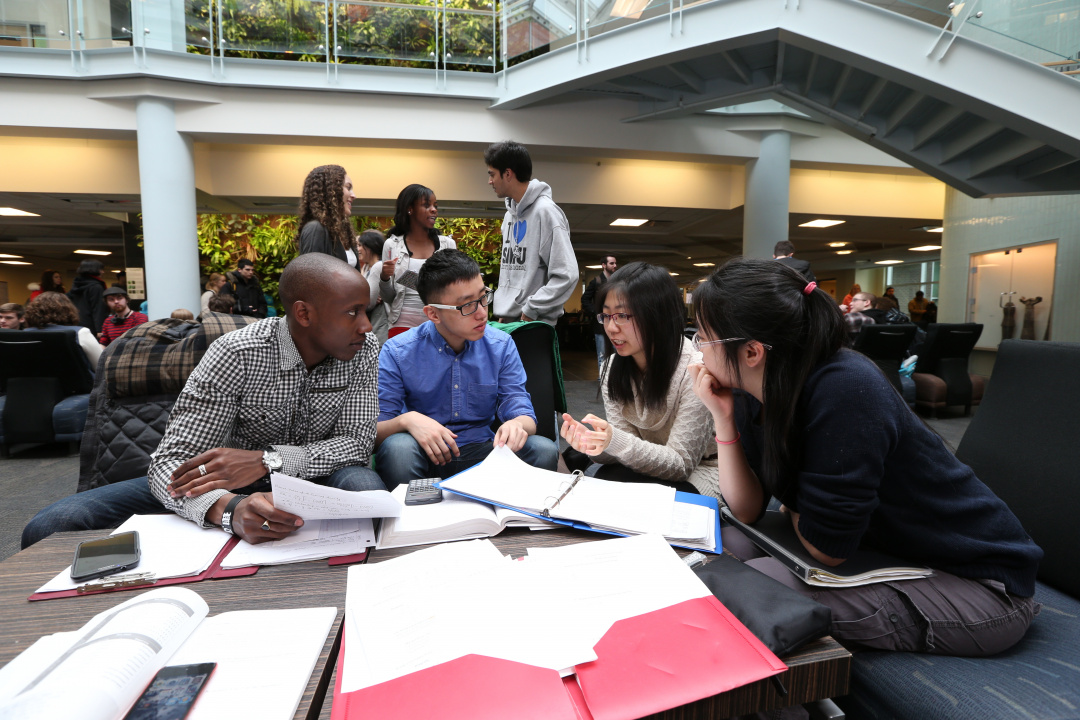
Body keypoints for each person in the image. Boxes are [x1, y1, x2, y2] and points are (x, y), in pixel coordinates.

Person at [687, 257, 1042, 656]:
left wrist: (797, 509)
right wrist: (723, 418)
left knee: (743, 597)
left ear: (751, 351)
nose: (698, 351)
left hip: (981, 585)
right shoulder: (756, 389)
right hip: (889, 550)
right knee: (719, 548)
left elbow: (828, 549)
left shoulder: (845, 388)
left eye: (703, 338)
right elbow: (748, 509)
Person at [21, 253, 385, 548]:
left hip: (314, 478)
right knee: (52, 524)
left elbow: (356, 444)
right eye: (352, 312)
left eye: (366, 310)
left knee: (369, 495)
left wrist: (267, 461)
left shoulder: (364, 349)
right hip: (222, 484)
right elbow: (169, 463)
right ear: (304, 313)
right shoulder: (237, 353)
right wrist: (227, 508)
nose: (366, 325)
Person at [374, 249, 558, 489]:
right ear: (433, 313)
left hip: (483, 453)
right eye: (467, 306)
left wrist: (517, 424)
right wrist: (408, 420)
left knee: (543, 449)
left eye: (483, 298)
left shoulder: (500, 346)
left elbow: (522, 409)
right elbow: (376, 433)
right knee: (398, 449)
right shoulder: (398, 351)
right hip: (424, 453)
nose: (482, 313)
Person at [559, 262, 717, 495]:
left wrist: (614, 440)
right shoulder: (614, 367)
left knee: (656, 497)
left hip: (699, 472)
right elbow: (625, 447)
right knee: (606, 477)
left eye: (622, 315)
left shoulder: (694, 369)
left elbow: (681, 465)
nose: (611, 327)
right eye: (606, 315)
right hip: (642, 467)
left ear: (657, 316)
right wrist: (595, 443)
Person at [484, 140, 577, 325]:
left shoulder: (546, 212)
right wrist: (506, 308)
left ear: (508, 174)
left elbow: (567, 274)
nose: (490, 181)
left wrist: (531, 310)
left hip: (533, 324)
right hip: (509, 321)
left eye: (492, 174)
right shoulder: (509, 216)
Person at [380, 184, 456, 338]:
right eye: (426, 205)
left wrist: (410, 279)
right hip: (401, 326)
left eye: (435, 205)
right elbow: (388, 298)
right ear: (410, 209)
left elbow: (453, 289)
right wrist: (385, 277)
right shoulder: (392, 245)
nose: (434, 210)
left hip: (439, 325)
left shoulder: (447, 245)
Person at [296, 164, 360, 269]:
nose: (353, 195)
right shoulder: (315, 229)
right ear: (332, 191)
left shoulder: (343, 232)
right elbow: (311, 277)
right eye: (348, 187)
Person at [22, 291, 103, 370]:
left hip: (33, 383)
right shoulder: (80, 333)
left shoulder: (24, 334)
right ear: (68, 310)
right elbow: (101, 366)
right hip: (76, 382)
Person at [580, 254, 617, 373]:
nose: (615, 266)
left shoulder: (618, 281)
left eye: (615, 263)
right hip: (600, 324)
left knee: (617, 353)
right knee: (602, 353)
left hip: (616, 321)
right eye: (612, 263)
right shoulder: (596, 281)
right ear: (604, 265)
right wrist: (595, 312)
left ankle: (615, 378)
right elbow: (585, 299)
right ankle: (602, 378)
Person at [357, 229, 389, 345]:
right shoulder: (366, 268)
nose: (358, 249)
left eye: (360, 245)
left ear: (370, 247)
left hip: (379, 327)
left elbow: (368, 303)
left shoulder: (378, 267)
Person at [67, 259, 109, 334]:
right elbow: (98, 309)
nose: (103, 272)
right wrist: (100, 329)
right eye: (101, 269)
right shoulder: (96, 287)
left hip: (77, 323)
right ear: (94, 270)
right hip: (92, 326)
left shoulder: (76, 285)